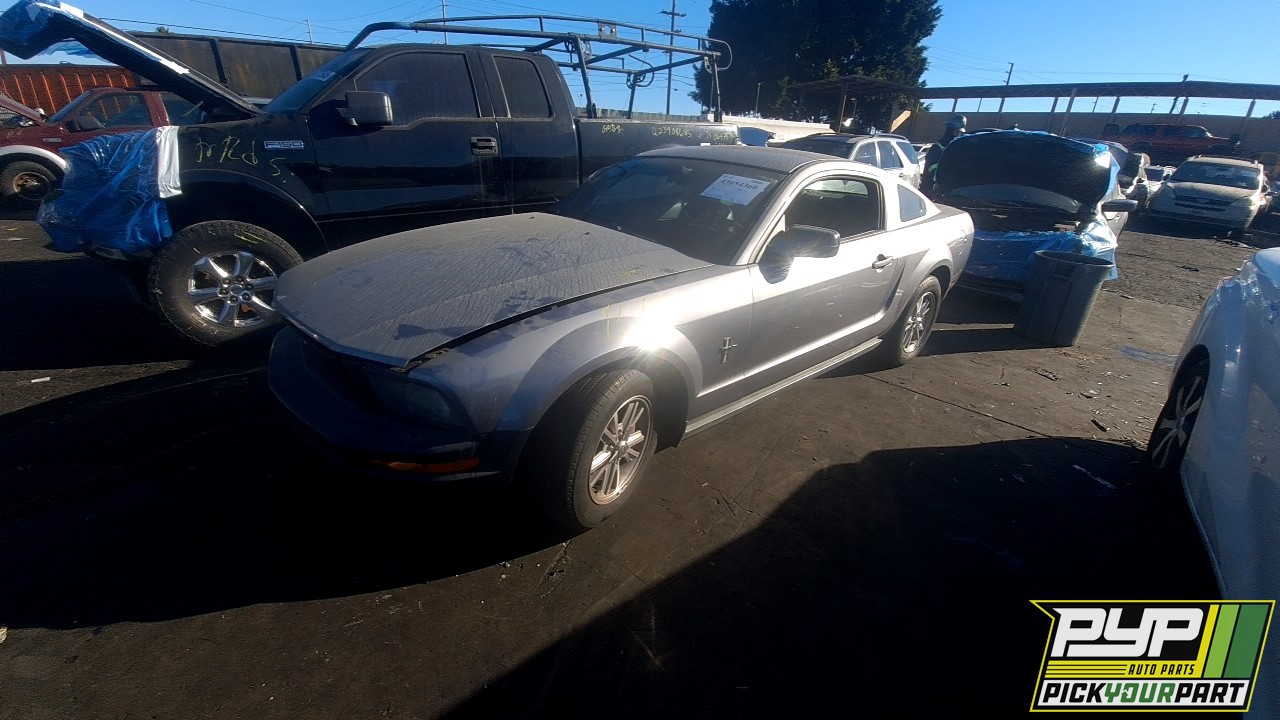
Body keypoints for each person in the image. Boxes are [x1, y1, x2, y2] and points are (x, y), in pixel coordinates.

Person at [923, 114, 966, 198]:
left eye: (959, 133)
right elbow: (932, 168)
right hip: (931, 189)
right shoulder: (937, 147)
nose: (958, 135)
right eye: (956, 132)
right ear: (950, 131)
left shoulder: (955, 147)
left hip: (947, 190)